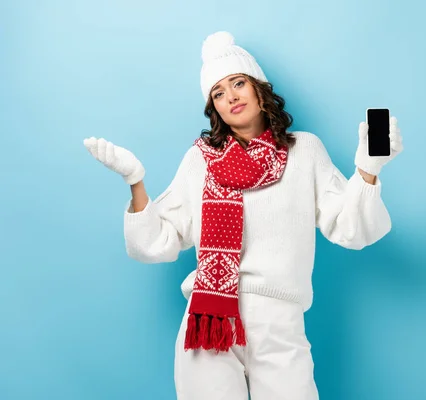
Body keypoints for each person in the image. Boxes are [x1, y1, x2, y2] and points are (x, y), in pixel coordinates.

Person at [83, 31, 403, 400]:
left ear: (259, 90)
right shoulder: (200, 160)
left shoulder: (305, 151)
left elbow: (351, 228)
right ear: (213, 107)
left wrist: (368, 170)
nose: (231, 96)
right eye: (218, 93)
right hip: (209, 322)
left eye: (238, 83)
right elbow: (156, 241)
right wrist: (135, 181)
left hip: (279, 321)